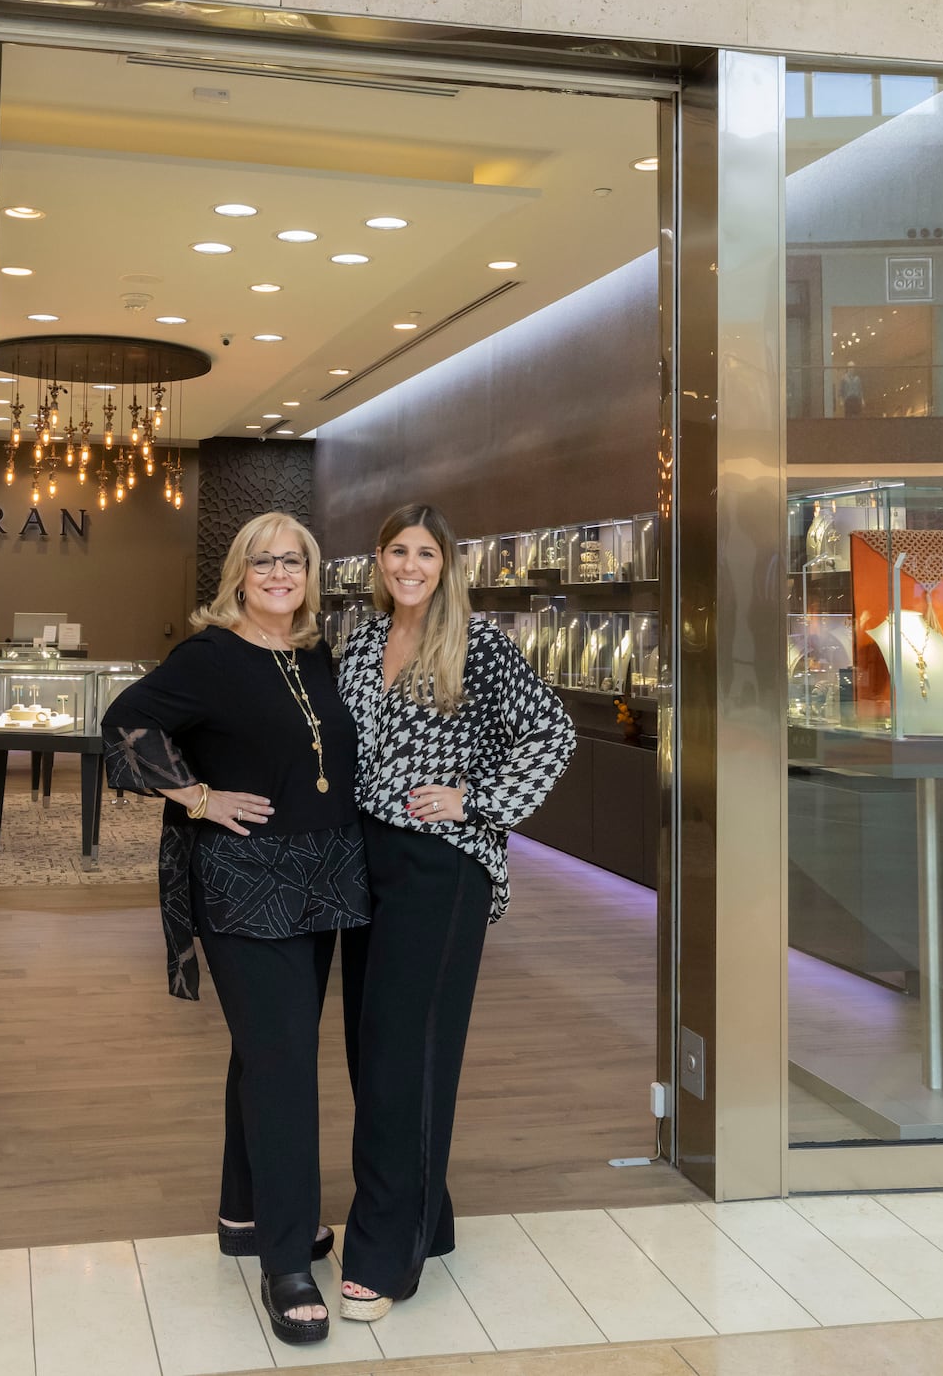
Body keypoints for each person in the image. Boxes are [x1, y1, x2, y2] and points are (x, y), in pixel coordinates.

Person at [99, 512, 366, 1347]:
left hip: (324, 876)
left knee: (267, 1050)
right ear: (239, 574)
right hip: (244, 882)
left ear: (310, 571)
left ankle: (246, 1215)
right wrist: (199, 797)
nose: (279, 572)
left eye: (293, 560)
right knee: (286, 1060)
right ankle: (288, 1262)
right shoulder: (210, 657)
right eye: (263, 560)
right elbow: (121, 728)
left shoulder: (322, 654)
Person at [334, 503, 575, 1321]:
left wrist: (478, 801)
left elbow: (553, 733)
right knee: (373, 1050)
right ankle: (425, 1221)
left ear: (447, 565)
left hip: (442, 865)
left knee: (408, 1053)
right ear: (379, 560)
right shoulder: (361, 642)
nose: (410, 565)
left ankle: (384, 1255)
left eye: (425, 553)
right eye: (397, 551)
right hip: (364, 863)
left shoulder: (481, 644)